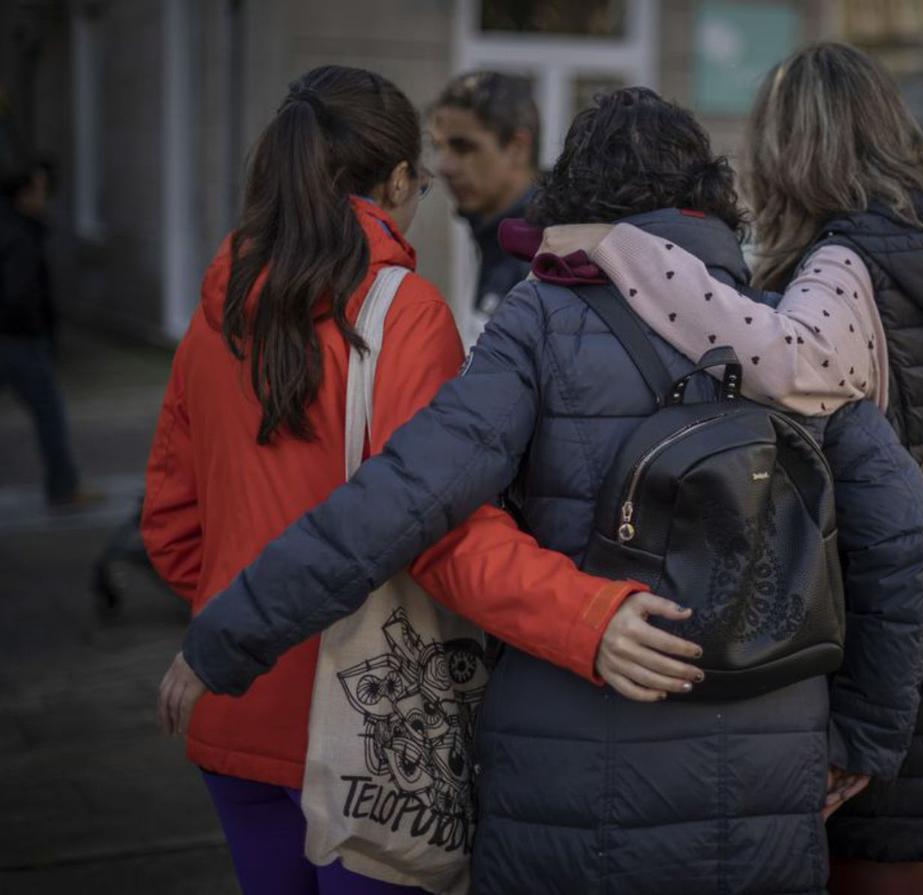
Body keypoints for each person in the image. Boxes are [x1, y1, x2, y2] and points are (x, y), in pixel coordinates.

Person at [162, 87, 923, 893]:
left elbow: (405, 493)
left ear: (574, 202)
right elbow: (908, 527)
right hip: (768, 764)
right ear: (707, 204)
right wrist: (860, 742)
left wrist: (228, 635)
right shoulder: (780, 333)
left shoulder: (539, 319)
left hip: (563, 780)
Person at [141, 67, 702, 895]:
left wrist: (236, 596)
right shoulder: (401, 311)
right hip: (369, 723)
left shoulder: (215, 313)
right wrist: (584, 618)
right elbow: (440, 530)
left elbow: (170, 525)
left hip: (228, 699)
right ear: (398, 180)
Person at [539, 43, 923, 894]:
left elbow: (781, 359)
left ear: (795, 151)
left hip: (902, 670)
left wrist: (624, 250)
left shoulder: (850, 264)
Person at [0, 156, 95, 506]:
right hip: (21, 341)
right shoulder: (20, 234)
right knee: (50, 413)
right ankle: (63, 486)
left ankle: (63, 484)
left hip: (16, 338)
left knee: (48, 412)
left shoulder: (18, 227)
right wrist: (37, 333)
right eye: (39, 190)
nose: (45, 197)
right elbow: (19, 293)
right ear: (22, 194)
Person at [428, 71, 539, 342]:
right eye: (438, 147)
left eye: (463, 148)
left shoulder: (547, 256)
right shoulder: (491, 233)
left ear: (517, 148)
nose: (444, 166)